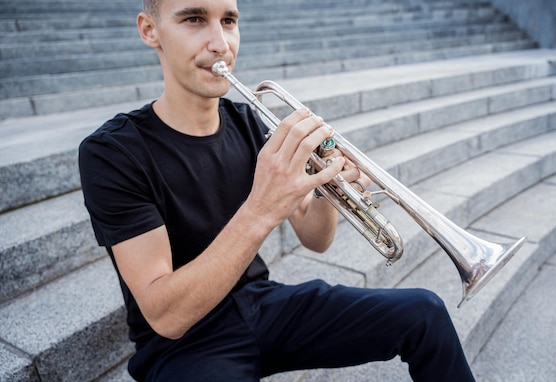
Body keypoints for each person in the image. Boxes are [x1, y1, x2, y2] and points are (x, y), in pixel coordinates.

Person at [78, 0, 475, 381]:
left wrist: (327, 187)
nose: (221, 43)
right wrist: (262, 208)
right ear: (151, 31)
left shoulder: (247, 122)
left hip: (259, 303)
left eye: (229, 20)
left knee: (425, 312)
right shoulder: (113, 152)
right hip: (183, 344)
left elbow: (315, 239)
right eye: (194, 19)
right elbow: (167, 315)